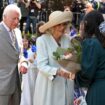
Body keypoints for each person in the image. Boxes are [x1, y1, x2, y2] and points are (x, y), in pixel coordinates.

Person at [33, 11, 74, 105]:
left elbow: (67, 57)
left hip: (66, 86)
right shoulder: (42, 40)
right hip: (48, 87)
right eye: (59, 25)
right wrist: (58, 71)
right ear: (52, 27)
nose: (62, 27)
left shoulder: (67, 39)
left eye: (64, 24)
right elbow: (41, 65)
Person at [71, 10, 105, 105]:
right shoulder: (102, 42)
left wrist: (75, 75)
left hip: (98, 91)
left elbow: (86, 74)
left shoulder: (91, 43)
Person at [0, 4, 28, 105]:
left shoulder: (18, 32)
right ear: (4, 17)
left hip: (17, 84)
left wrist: (24, 62)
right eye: (13, 19)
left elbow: (19, 55)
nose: (16, 22)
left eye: (18, 19)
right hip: (2, 87)